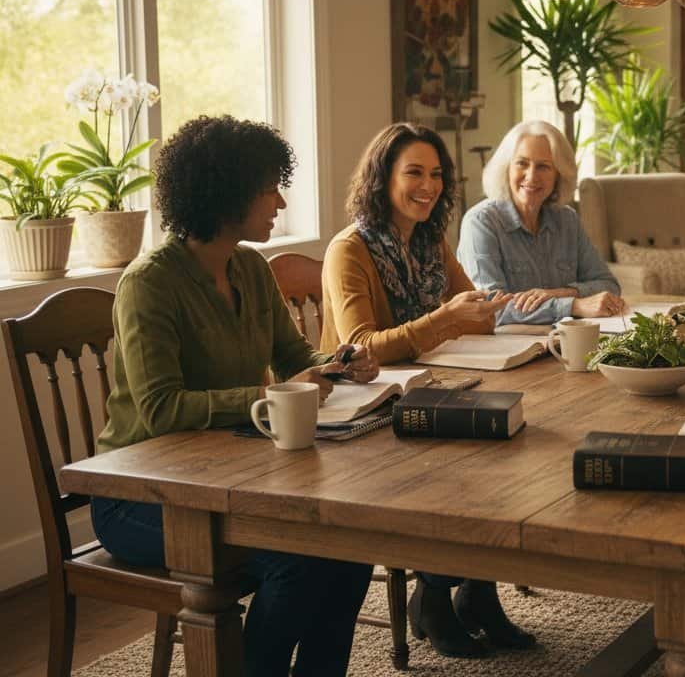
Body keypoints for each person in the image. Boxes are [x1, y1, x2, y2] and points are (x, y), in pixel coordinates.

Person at [91, 115, 380, 677]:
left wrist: (341, 363)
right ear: (226, 191)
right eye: (270, 187)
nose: (280, 201)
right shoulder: (149, 283)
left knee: (348, 549)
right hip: (142, 497)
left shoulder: (248, 266)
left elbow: (297, 360)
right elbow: (159, 410)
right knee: (296, 560)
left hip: (228, 478)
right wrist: (269, 396)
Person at [321, 122, 533, 658]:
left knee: (504, 447)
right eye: (414, 172)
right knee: (466, 465)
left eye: (436, 174)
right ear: (382, 178)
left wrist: (484, 309)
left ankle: (477, 596)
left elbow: (475, 315)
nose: (429, 185)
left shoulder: (429, 241)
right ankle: (435, 596)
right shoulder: (350, 249)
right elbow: (360, 347)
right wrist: (444, 319)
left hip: (430, 393)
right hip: (364, 416)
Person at [457, 120, 623, 326]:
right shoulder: (480, 223)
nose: (531, 176)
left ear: (558, 175)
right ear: (507, 168)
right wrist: (573, 305)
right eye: (522, 163)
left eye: (543, 166)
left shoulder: (567, 220)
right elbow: (491, 309)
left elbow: (609, 285)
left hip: (563, 340)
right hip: (505, 348)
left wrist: (560, 293)